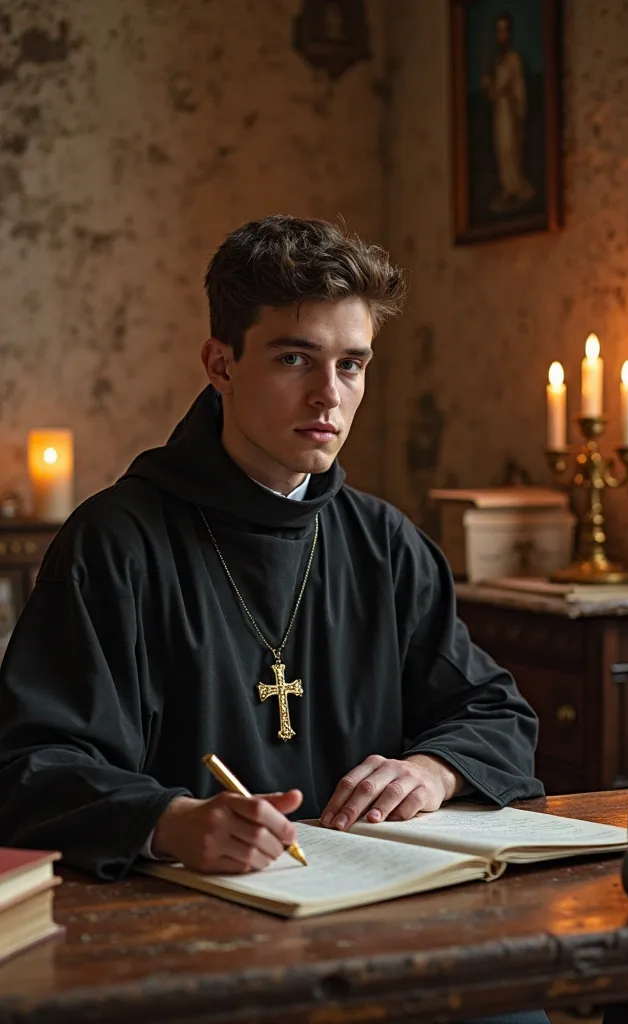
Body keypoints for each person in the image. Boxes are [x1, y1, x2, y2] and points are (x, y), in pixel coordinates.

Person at [0, 215, 548, 1024]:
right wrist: (172, 822)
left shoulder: (387, 544)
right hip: (185, 943)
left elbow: (495, 713)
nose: (330, 394)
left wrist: (432, 772)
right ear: (220, 363)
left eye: (352, 364)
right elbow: (26, 764)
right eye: (296, 358)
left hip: (383, 927)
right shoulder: (115, 543)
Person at [482, 11, 535, 213]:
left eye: (504, 30)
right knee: (501, 148)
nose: (501, 35)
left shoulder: (513, 60)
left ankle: (517, 185)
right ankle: (507, 185)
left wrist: (519, 110)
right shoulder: (498, 61)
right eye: (498, 30)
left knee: (510, 147)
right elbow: (494, 92)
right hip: (500, 111)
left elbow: (514, 87)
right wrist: (489, 86)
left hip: (510, 111)